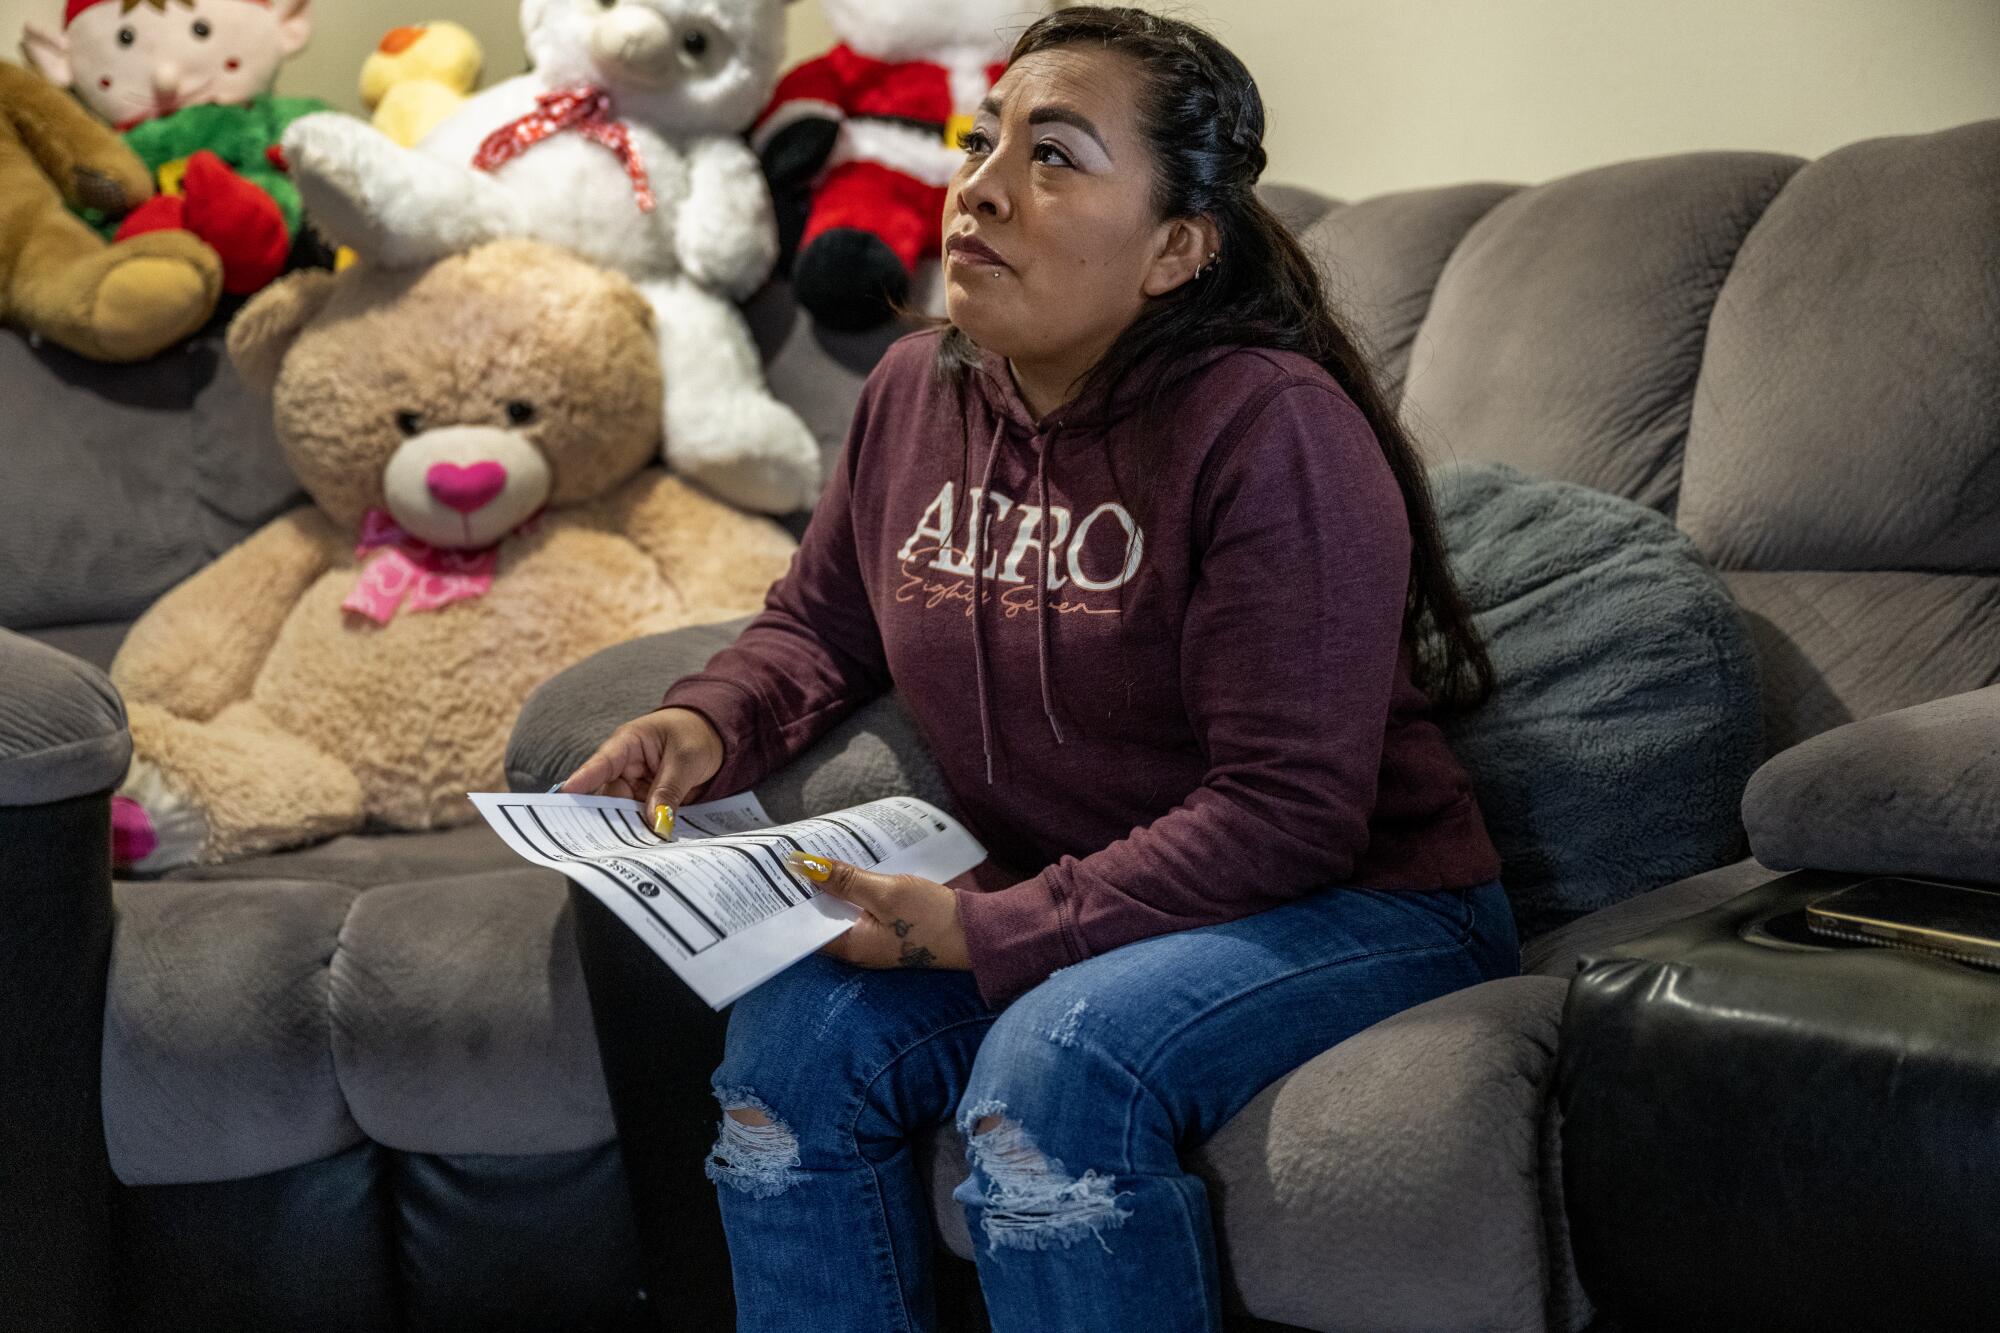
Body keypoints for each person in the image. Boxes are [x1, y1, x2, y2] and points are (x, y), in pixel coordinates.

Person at [560, 7, 1518, 1330]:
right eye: (981, 140)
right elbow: (822, 627)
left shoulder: (1271, 430)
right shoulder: (912, 394)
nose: (983, 186)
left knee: (1054, 1070)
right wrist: (703, 724)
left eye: (1056, 156)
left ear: (1177, 248)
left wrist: (985, 930)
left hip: (1361, 907)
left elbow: (1289, 811)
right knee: (788, 1050)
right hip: (1088, 891)